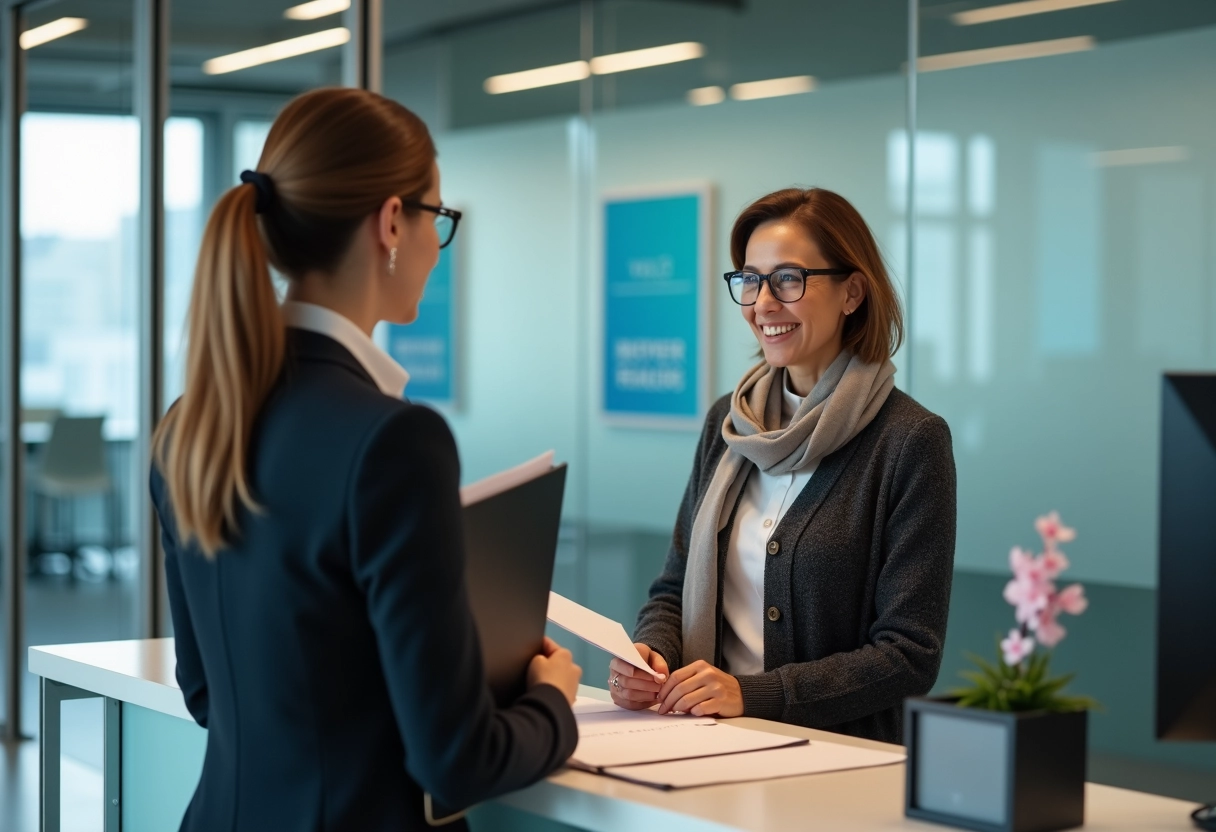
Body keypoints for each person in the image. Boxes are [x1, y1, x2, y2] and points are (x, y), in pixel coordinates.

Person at [150, 87, 581, 832]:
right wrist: (552, 700)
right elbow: (457, 761)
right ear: (391, 221)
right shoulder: (391, 442)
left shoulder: (188, 426)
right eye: (437, 217)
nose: (436, 247)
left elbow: (211, 695)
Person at [607, 187, 956, 743]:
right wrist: (652, 654)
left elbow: (909, 655)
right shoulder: (729, 423)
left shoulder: (909, 440)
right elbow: (674, 587)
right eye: (749, 279)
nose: (762, 304)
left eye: (788, 279)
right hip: (710, 742)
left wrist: (753, 694)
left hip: (839, 759)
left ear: (853, 292)